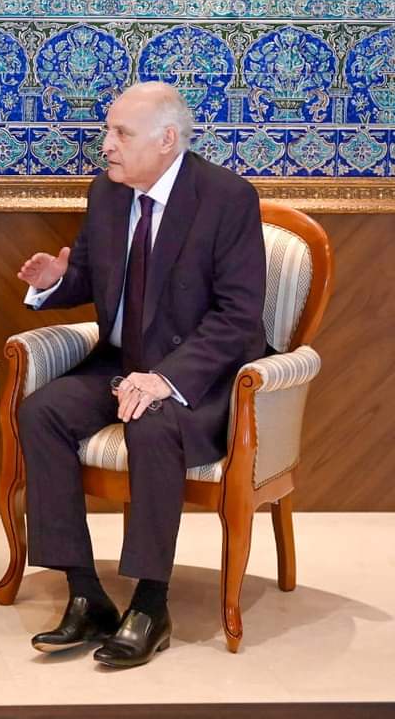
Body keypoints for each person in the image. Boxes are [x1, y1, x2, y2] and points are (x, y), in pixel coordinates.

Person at [16, 81, 266, 668]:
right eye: (108, 131)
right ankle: (85, 594)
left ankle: (151, 605)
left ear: (167, 140)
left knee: (152, 422)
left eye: (120, 134)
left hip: (200, 376)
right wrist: (56, 280)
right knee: (42, 412)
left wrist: (165, 379)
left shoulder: (226, 198)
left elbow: (238, 316)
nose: (106, 145)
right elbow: (90, 277)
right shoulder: (107, 192)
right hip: (121, 364)